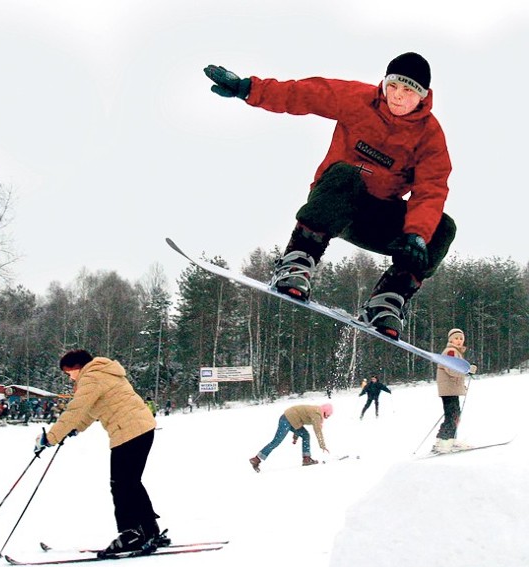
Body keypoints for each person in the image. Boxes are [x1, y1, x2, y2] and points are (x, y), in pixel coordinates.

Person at [204, 52, 455, 339]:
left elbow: (431, 190)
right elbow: (305, 94)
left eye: (408, 91)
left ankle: (387, 300)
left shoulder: (430, 137)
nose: (397, 97)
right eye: (392, 86)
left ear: (423, 96)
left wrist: (416, 235)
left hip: (378, 220)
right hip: (335, 204)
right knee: (348, 174)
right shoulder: (357, 99)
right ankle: (297, 261)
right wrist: (248, 88)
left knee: (441, 228)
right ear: (384, 84)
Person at [33, 349, 163, 556]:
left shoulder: (91, 377)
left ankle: (131, 534)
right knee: (131, 482)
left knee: (121, 484)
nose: (70, 377)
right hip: (140, 428)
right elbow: (91, 409)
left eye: (68, 373)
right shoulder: (105, 372)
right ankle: (149, 530)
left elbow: (76, 409)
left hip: (128, 431)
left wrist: (51, 437)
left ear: (76, 367)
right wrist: (74, 429)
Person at [249, 403, 333, 472]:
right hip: (286, 419)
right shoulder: (316, 414)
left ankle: (306, 459)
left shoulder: (316, 411)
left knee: (305, 435)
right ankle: (256, 459)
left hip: (291, 419)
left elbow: (300, 419)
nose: (328, 417)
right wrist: (322, 445)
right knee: (276, 441)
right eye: (328, 415)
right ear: (325, 411)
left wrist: (295, 437)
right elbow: (317, 430)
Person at [433, 328, 477, 453]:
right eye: (456, 338)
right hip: (449, 389)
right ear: (450, 339)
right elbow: (451, 370)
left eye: (461, 339)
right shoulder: (451, 352)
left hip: (450, 388)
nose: (459, 341)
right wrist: (467, 370)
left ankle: (445, 440)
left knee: (453, 415)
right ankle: (445, 443)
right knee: (453, 416)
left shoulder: (455, 352)